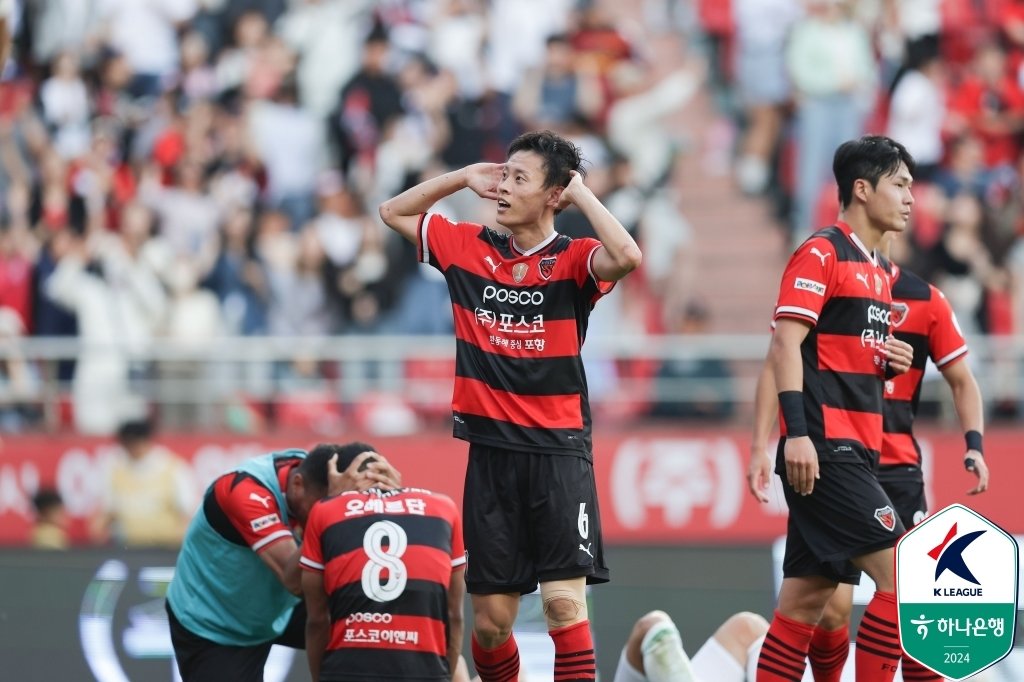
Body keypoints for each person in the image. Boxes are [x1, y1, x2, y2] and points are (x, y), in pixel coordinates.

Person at [379, 129, 643, 681]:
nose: (502, 187)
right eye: (503, 174)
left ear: (554, 195)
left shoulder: (573, 260)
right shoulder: (469, 247)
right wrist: (462, 176)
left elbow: (627, 255)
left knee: (563, 606)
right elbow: (392, 212)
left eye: (518, 178)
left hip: (559, 453)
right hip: (492, 455)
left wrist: (581, 194)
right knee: (492, 626)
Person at [749, 239, 991, 681]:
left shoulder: (925, 299)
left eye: (908, 189)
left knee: (912, 601)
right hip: (840, 458)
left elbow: (961, 379)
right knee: (831, 607)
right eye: (898, 187)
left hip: (895, 467)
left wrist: (973, 442)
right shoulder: (830, 272)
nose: (906, 203)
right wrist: (763, 444)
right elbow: (780, 356)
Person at [750, 135, 917, 682]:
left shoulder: (877, 271)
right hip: (825, 450)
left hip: (855, 451)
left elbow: (835, 354)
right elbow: (783, 345)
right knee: (902, 575)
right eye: (900, 184)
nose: (911, 197)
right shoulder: (823, 251)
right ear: (862, 190)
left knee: (804, 601)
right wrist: (794, 435)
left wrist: (888, 362)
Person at [165, 443, 402, 682]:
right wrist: (333, 508)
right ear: (297, 485)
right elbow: (296, 581)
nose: (339, 515)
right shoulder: (244, 491)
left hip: (277, 607)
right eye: (323, 507)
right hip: (217, 625)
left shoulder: (315, 476)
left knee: (379, 624)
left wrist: (396, 501)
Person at [301, 442, 466, 681]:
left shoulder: (325, 510)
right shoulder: (444, 508)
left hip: (347, 671)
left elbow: (317, 619)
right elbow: (455, 616)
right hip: (424, 671)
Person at [91, 418, 195, 548]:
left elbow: (188, 512)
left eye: (134, 443)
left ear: (145, 440)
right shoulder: (115, 470)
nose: (131, 448)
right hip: (129, 548)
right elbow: (108, 511)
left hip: (166, 548)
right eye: (126, 444)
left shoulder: (173, 467)